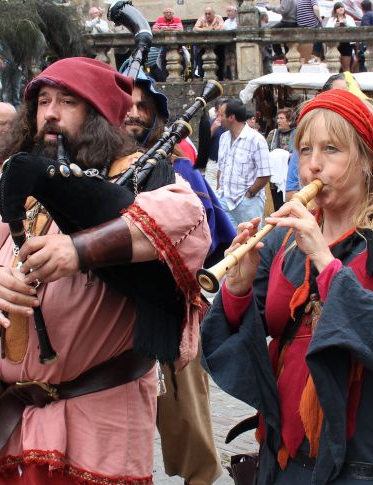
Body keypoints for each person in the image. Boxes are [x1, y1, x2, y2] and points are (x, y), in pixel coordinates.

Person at [0, 57, 210, 484]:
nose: (50, 112)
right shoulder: (7, 174)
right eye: (43, 101)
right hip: (12, 412)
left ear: (100, 113)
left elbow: (188, 220)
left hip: (98, 411)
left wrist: (78, 250)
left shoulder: (135, 176)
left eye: (68, 101)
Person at [201, 89, 373, 482]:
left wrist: (326, 262)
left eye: (331, 149)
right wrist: (238, 287)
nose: (313, 165)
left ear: (368, 158)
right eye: (304, 150)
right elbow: (246, 332)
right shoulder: (285, 238)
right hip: (282, 448)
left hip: (361, 458)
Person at [122, 68, 231, 485]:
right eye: (126, 107)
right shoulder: (91, 170)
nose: (133, 115)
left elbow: (219, 241)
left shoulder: (182, 174)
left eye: (142, 108)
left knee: (188, 413)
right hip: (109, 315)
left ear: (157, 119)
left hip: (169, 310)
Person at [216, 99, 271, 228]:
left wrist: (249, 194)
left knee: (251, 242)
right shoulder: (223, 138)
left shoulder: (256, 140)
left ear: (231, 117)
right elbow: (221, 168)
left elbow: (265, 174)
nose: (218, 118)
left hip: (247, 203)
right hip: (224, 199)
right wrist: (219, 190)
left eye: (221, 115)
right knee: (228, 242)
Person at [325, 2, 356, 72]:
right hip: (334, 44)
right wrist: (334, 26)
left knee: (346, 66)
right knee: (335, 66)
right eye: (338, 7)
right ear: (335, 10)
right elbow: (327, 29)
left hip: (346, 43)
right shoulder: (332, 19)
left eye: (342, 7)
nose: (341, 9)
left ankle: (347, 81)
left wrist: (346, 23)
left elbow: (354, 28)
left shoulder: (349, 18)